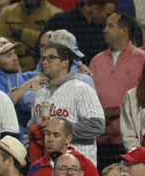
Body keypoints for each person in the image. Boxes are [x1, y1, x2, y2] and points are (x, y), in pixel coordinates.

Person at [30, 31, 106, 166]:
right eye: (43, 58)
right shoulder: (39, 95)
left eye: (51, 58)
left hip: (79, 167)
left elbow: (97, 125)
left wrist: (62, 129)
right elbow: (31, 128)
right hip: (47, 168)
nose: (45, 62)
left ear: (65, 63)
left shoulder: (81, 89)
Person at [0, 0, 62, 71]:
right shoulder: (8, 12)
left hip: (42, 72)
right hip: (9, 71)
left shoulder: (56, 15)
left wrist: (23, 34)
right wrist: (33, 46)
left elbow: (55, 48)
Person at [28, 118, 104, 176]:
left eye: (56, 135)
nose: (49, 139)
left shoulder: (84, 164)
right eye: (47, 134)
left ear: (68, 139)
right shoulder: (36, 167)